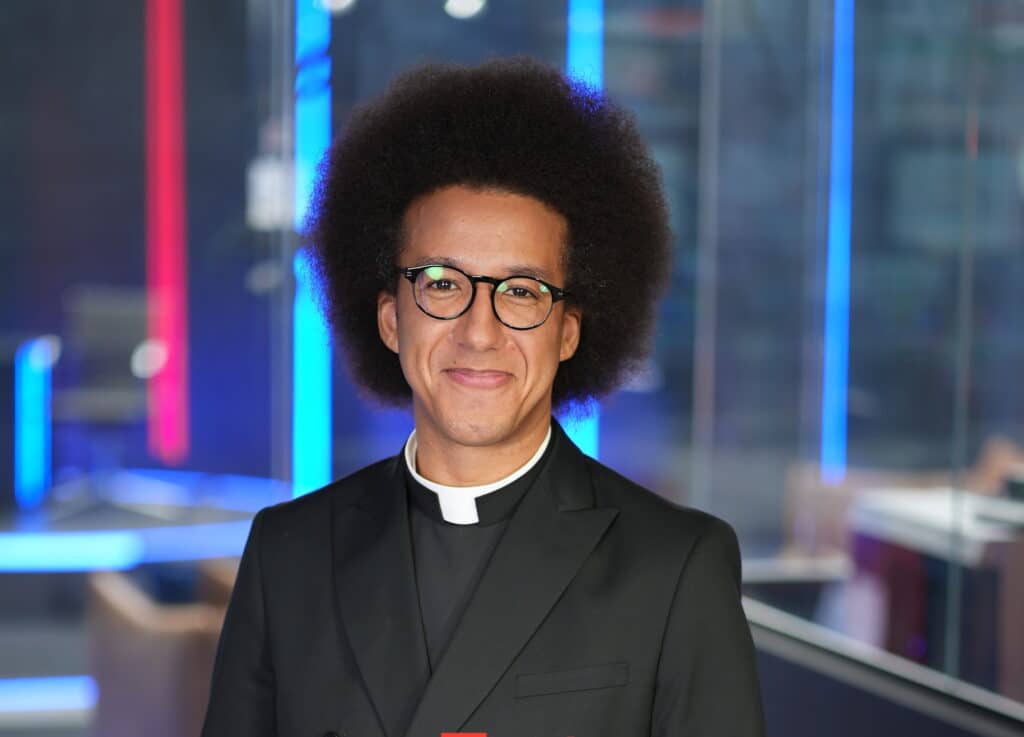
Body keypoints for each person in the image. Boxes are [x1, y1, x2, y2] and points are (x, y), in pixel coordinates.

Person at [201, 56, 765, 737]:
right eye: (442, 284)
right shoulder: (286, 555)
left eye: (521, 291)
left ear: (568, 331)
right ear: (390, 319)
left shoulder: (676, 567)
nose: (479, 331)